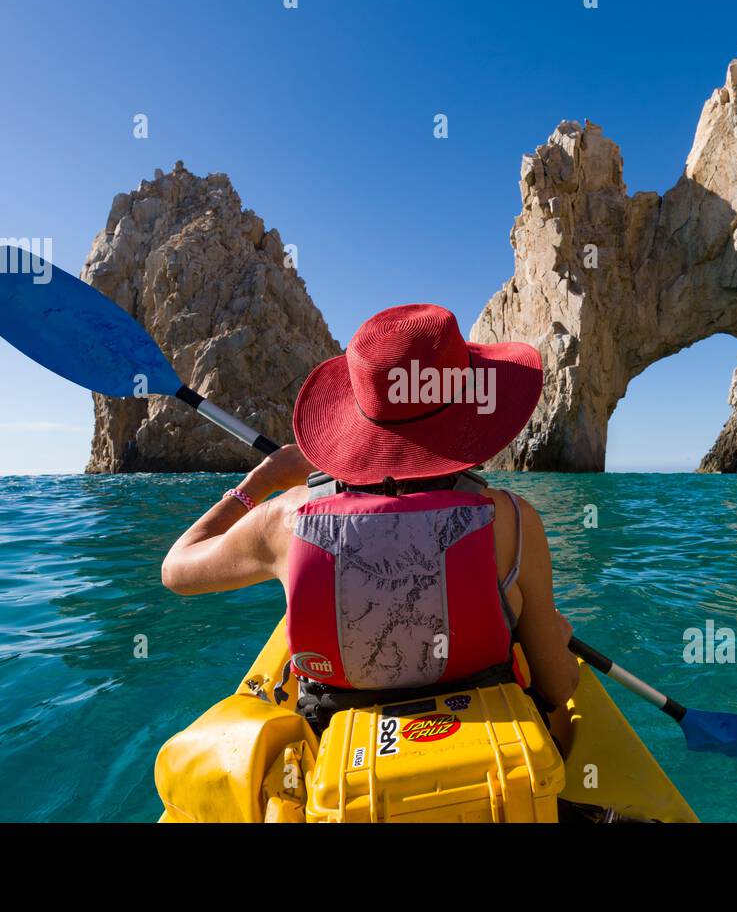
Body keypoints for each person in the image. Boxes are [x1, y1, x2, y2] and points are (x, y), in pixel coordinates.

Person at [161, 303, 578, 737]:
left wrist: (261, 482)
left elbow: (176, 571)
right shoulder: (510, 519)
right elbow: (559, 684)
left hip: (340, 766)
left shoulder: (285, 522)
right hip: (497, 759)